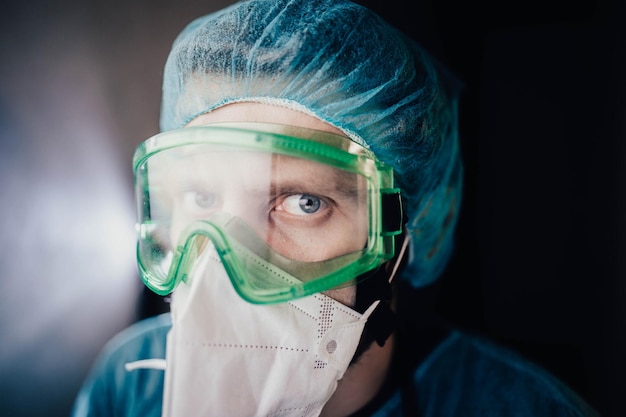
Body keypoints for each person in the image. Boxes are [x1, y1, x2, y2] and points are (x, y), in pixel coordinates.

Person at [71, 0, 600, 416]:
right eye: (202, 198)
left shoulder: (517, 406)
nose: (222, 263)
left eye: (304, 202)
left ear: (401, 234)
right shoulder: (129, 379)